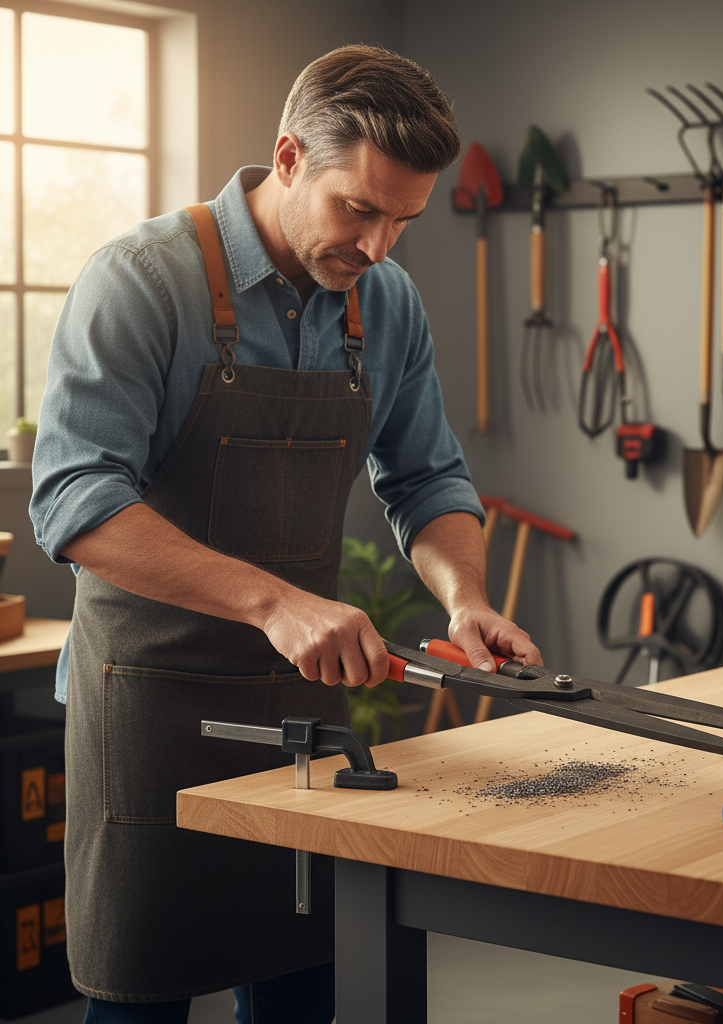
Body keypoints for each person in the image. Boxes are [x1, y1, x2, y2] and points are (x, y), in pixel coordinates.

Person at [29, 44, 540, 1023]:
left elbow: (427, 479)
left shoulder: (383, 304)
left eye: (403, 219)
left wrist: (466, 599)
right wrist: (273, 599)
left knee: (307, 984)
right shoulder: (141, 280)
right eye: (360, 208)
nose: (382, 246)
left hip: (306, 708)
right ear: (290, 157)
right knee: (141, 999)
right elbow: (74, 501)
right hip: (148, 707)